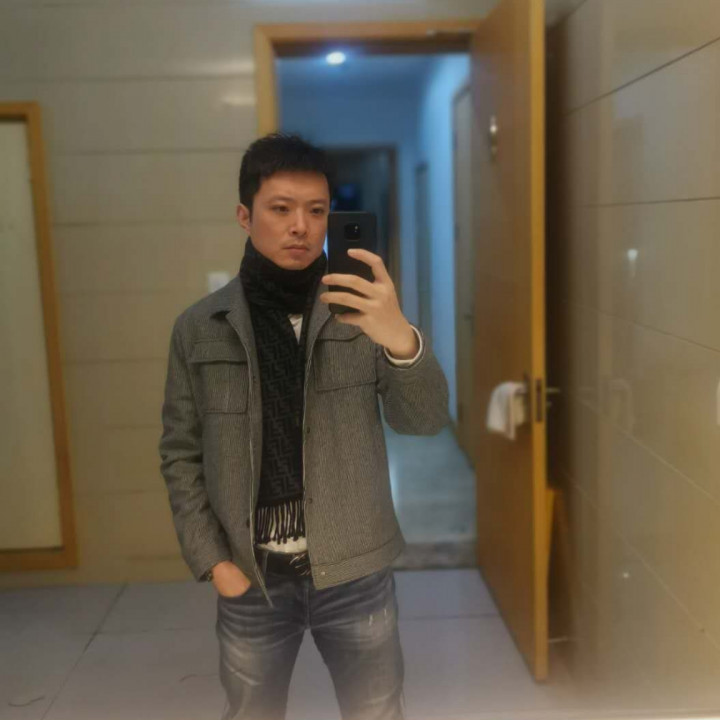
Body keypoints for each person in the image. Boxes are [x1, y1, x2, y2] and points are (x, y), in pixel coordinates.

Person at [159, 133, 450, 720]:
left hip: (356, 570)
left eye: (317, 211)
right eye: (280, 208)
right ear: (245, 216)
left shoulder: (363, 315)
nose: (301, 226)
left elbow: (423, 421)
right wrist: (213, 561)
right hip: (251, 575)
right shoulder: (201, 328)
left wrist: (401, 339)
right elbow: (180, 452)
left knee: (376, 712)